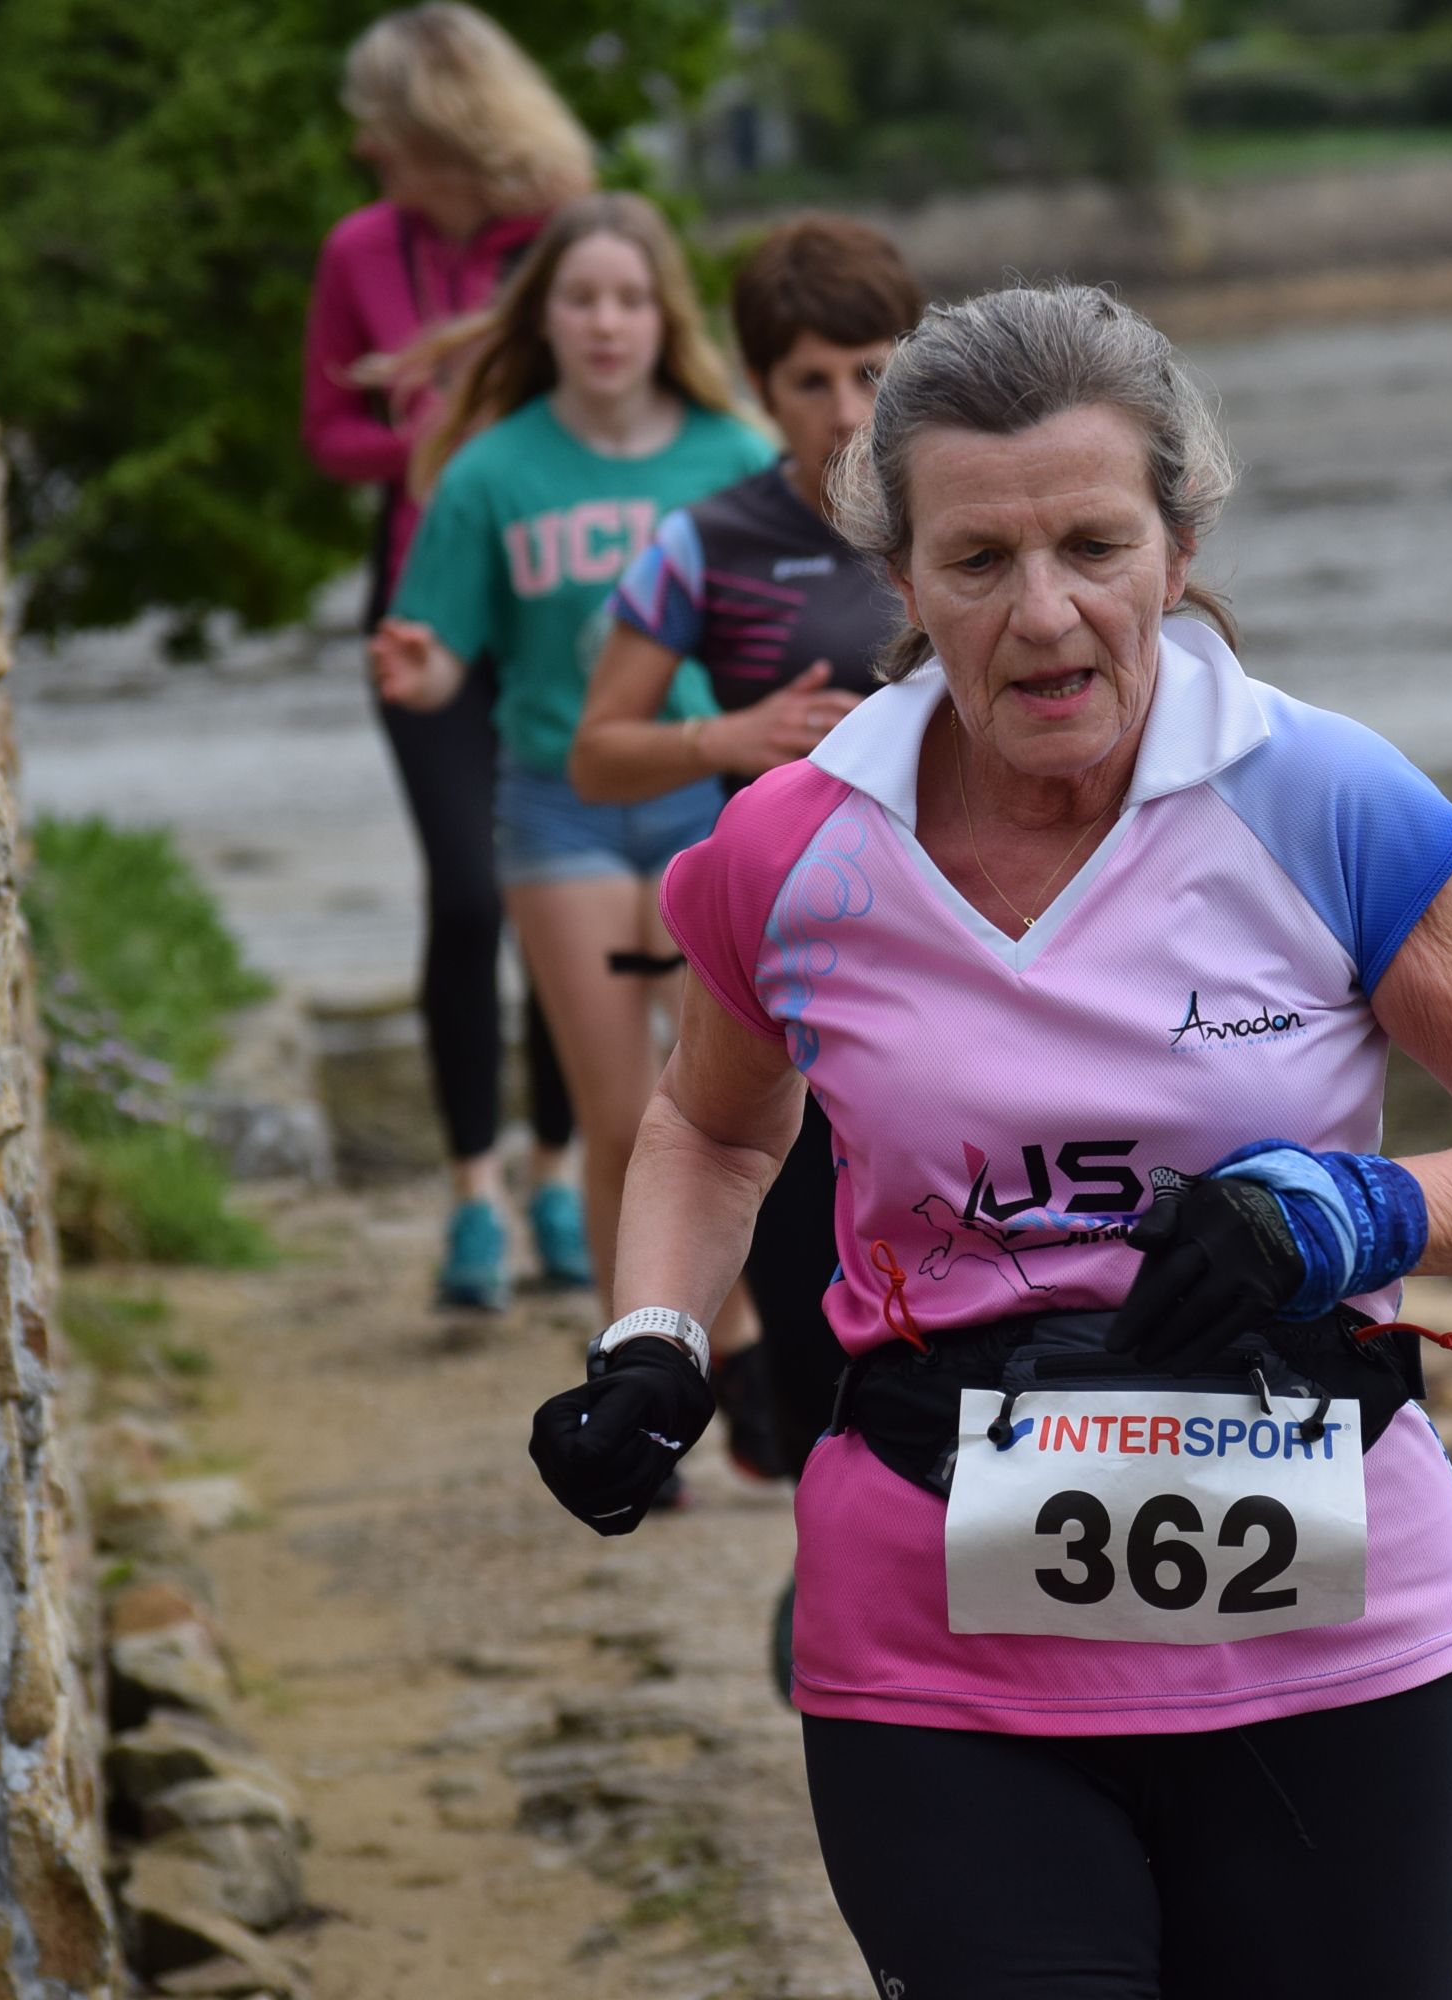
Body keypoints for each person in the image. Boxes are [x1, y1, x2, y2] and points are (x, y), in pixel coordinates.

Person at [529, 285, 1452, 1997]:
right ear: (902, 580)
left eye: (1093, 546)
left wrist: (1344, 1214)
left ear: (1177, 550)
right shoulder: (792, 849)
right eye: (978, 560)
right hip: (935, 1638)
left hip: (1316, 1632)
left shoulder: (1326, 802)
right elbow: (708, 1128)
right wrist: (654, 1342)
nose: (1043, 613)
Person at [571, 216, 923, 1519]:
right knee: (810, 1295)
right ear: (761, 390)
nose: (848, 410)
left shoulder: (969, 517)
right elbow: (596, 753)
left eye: (873, 372)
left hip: (962, 958)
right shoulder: (705, 543)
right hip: (790, 971)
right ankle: (829, 1562)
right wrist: (727, 737)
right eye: (810, 380)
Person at [369, 194, 777, 1310]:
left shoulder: (736, 456)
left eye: (630, 299)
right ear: (542, 316)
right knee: (623, 1119)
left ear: (664, 317)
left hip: (707, 806)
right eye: (582, 298)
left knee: (735, 1114)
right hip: (559, 811)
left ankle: (746, 1355)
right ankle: (640, 1365)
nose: (606, 322)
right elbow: (445, 657)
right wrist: (419, 670)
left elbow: (796, 615)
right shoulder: (491, 474)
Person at [304, 3, 596, 1309]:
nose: (365, 148)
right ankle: (472, 1196)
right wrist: (426, 444)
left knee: (563, 894)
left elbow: (629, 400)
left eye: (384, 126)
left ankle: (557, 1175)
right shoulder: (359, 248)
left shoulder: (571, 237)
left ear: (445, 127)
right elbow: (329, 430)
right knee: (469, 894)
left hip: (559, 606)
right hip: (425, 603)